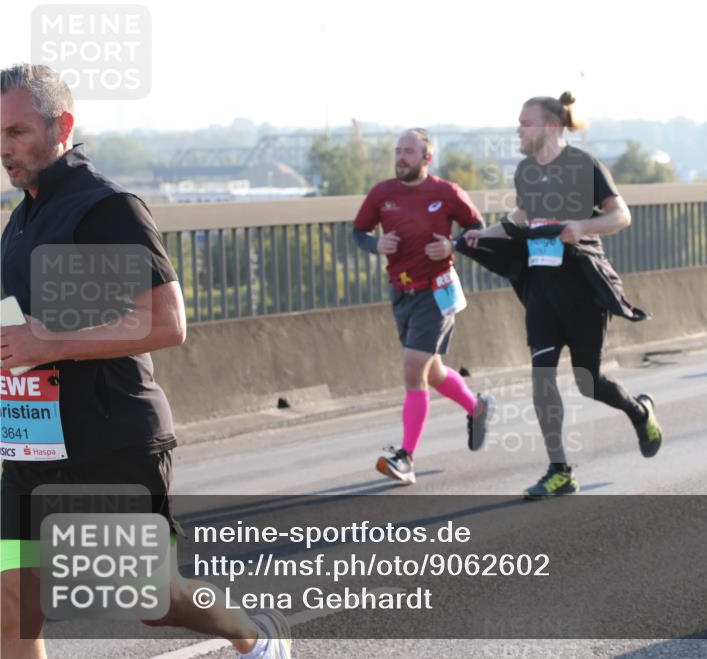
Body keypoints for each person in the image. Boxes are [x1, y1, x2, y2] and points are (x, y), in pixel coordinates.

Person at [1, 64, 290, 659]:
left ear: (63, 126)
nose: (3, 148)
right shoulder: (21, 217)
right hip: (31, 450)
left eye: (17, 132)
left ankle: (253, 634)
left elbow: (166, 323)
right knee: (12, 612)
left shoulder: (105, 207)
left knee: (152, 601)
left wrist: (46, 343)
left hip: (110, 438)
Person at [463, 92, 663, 500]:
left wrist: (582, 227)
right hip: (542, 290)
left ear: (551, 127)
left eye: (525, 122)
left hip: (582, 287)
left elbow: (621, 215)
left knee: (589, 382)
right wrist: (484, 235)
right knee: (542, 379)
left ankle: (640, 411)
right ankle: (560, 470)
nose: (518, 130)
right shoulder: (525, 172)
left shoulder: (583, 166)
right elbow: (522, 219)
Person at [353, 128, 495, 485]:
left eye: (409, 152)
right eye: (398, 151)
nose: (401, 157)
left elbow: (477, 229)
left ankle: (406, 458)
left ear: (426, 158)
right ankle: (477, 408)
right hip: (401, 293)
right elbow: (358, 231)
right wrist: (376, 245)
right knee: (431, 372)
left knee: (413, 366)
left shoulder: (446, 192)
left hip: (438, 291)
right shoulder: (382, 193)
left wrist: (452, 246)